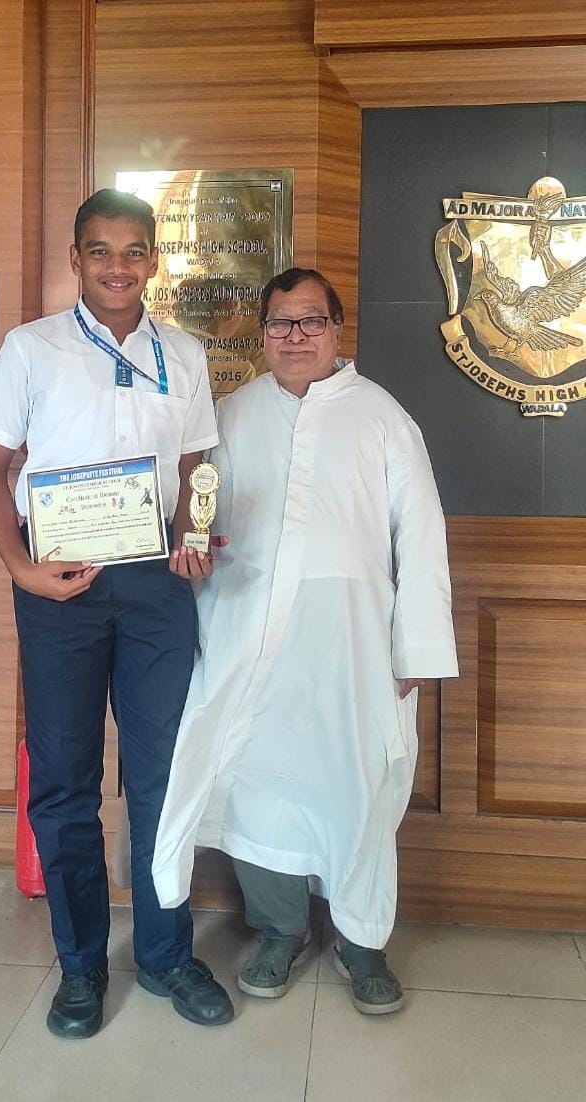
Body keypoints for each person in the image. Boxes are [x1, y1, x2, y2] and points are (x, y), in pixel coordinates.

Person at [0, 188, 234, 1039]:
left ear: (154, 258)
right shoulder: (31, 348)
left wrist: (194, 537)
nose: (119, 266)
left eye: (134, 250)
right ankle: (81, 966)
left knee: (161, 778)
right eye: (101, 250)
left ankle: (164, 955)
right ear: (76, 258)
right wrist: (22, 570)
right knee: (65, 784)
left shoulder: (183, 353)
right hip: (61, 589)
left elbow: (194, 466)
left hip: (157, 588)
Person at [156, 267, 458, 1015]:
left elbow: (422, 538)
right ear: (262, 333)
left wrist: (416, 650)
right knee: (258, 784)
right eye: (280, 323)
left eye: (311, 321)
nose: (295, 336)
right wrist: (190, 552)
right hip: (248, 637)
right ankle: (280, 928)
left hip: (351, 647)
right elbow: (201, 519)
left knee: (358, 785)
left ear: (337, 328)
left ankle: (362, 941)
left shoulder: (382, 417)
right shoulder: (231, 415)